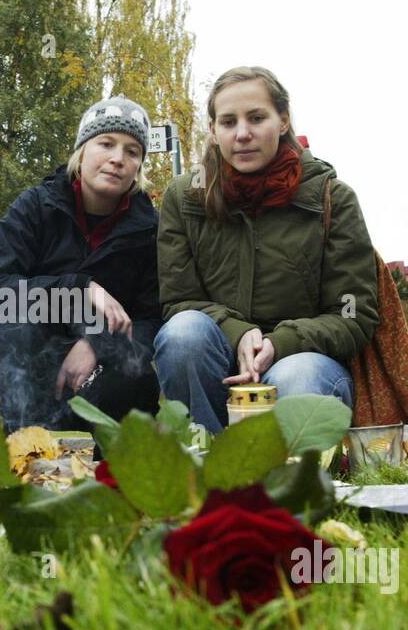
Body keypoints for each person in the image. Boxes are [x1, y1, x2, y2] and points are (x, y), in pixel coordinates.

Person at [154, 66, 379, 434]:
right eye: (228, 122)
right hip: (219, 359)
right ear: (213, 130)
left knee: (296, 376)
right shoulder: (184, 198)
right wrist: (239, 333)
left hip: (304, 362)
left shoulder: (331, 198)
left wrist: (279, 342)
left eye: (257, 118)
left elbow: (354, 315)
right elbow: (178, 300)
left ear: (284, 120)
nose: (243, 134)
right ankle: (208, 469)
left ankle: (286, 484)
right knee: (183, 334)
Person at [0, 96, 162, 434]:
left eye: (132, 151)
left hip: (104, 371)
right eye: (106, 143)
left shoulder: (150, 228)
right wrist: (79, 288)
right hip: (34, 365)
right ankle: (25, 453)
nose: (117, 158)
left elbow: (150, 319)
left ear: (139, 166)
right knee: (17, 319)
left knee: (138, 378)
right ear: (82, 150)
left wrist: (95, 343)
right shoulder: (35, 207)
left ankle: (113, 469)